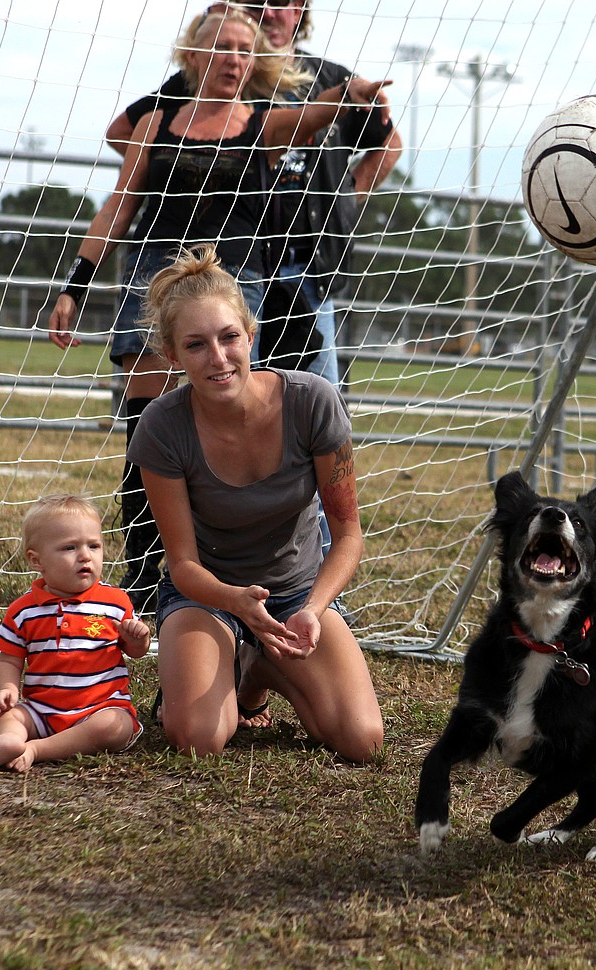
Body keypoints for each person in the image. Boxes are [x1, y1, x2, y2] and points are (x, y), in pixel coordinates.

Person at [51, 4, 393, 613]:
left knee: (220, 414)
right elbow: (119, 204)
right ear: (193, 56)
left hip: (237, 279)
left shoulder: (263, 123)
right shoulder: (155, 120)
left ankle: (226, 572)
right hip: (154, 278)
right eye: (224, 47)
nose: (235, 59)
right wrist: (74, 285)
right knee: (149, 428)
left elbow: (325, 113)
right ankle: (147, 574)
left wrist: (353, 93)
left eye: (245, 50)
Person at [126, 244, 384, 763]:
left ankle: (262, 664)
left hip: (294, 596)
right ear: (173, 357)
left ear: (251, 333)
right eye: (196, 346)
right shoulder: (160, 427)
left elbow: (349, 533)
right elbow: (182, 564)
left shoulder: (312, 401)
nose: (218, 358)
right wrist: (235, 600)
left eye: (229, 338)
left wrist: (313, 608)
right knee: (198, 737)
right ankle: (235, 659)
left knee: (361, 739)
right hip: (208, 595)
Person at [106, 1, 402, 387]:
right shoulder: (208, 76)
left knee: (314, 395)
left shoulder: (328, 79)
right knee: (233, 391)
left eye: (279, 4)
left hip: (304, 265)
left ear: (299, 11)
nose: (267, 13)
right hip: (230, 261)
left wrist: (346, 197)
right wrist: (189, 178)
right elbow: (122, 133)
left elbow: (389, 142)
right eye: (253, 4)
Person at [0, 495, 151, 774]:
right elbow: (10, 660)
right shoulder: (23, 609)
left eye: (94, 546)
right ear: (37, 560)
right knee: (3, 713)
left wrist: (139, 638)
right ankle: (10, 739)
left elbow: (134, 650)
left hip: (100, 709)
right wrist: (7, 690)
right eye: (70, 547)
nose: (85, 555)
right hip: (40, 711)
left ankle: (35, 749)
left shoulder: (114, 601)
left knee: (116, 726)